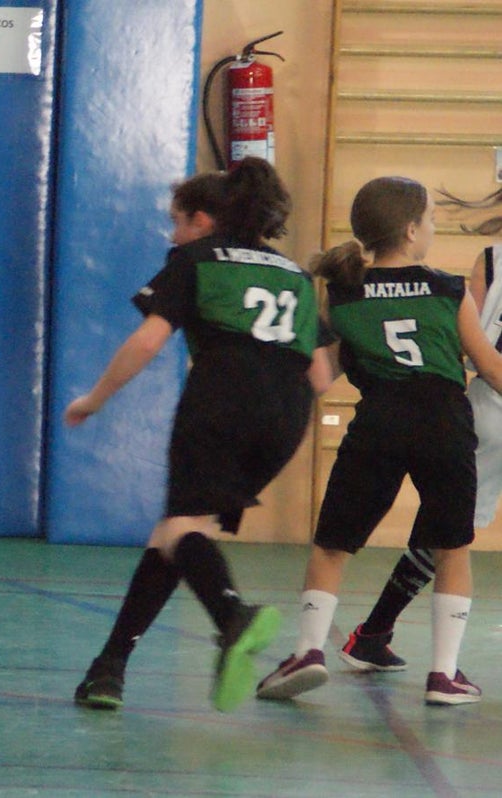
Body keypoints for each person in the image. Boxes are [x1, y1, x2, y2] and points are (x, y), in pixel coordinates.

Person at [66, 157, 334, 713]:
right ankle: (107, 670)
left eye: (178, 221)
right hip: (288, 416)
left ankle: (233, 616)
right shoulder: (294, 274)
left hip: (222, 399)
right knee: (176, 533)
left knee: (181, 528)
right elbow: (322, 377)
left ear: (204, 221)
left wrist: (94, 400)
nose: (173, 234)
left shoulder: (196, 259)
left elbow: (148, 341)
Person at [255, 177, 502, 706]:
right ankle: (443, 675)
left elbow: (321, 375)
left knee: (332, 546)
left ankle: (307, 651)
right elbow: (489, 367)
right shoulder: (447, 289)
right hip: (444, 425)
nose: (432, 228)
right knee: (452, 549)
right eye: (430, 220)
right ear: (411, 231)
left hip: (378, 425)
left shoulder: (344, 293)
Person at [337, 240, 502, 675]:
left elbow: (466, 342)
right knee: (449, 534)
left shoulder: (491, 257)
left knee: (446, 530)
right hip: (492, 401)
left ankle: (375, 631)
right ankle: (380, 634)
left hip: (489, 405)